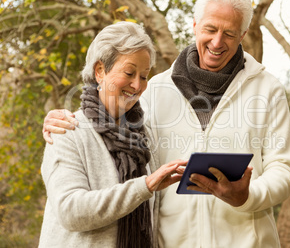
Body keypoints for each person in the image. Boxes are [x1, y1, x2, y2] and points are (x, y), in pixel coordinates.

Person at [43, 0, 290, 247]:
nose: (217, 41)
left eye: (230, 33)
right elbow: (108, 127)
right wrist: (62, 121)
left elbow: (284, 169)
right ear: (195, 25)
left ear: (244, 34)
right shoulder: (154, 89)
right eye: (210, 29)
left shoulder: (268, 89)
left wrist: (247, 197)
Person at [39, 21, 186, 248]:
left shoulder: (144, 137)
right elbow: (70, 210)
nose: (137, 85)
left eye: (144, 76)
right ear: (100, 71)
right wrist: (143, 187)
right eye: (129, 72)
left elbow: (153, 217)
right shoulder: (67, 130)